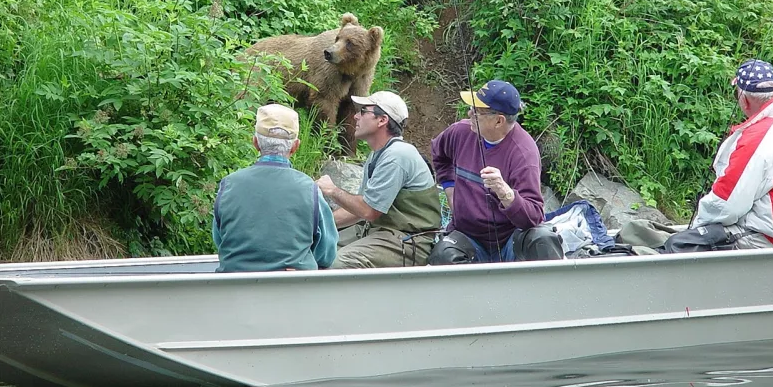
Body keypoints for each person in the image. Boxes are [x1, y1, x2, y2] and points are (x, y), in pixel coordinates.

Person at [316, 91, 442, 268]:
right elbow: (357, 210)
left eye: (363, 111)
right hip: (380, 232)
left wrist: (332, 190)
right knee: (317, 250)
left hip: (407, 240)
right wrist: (319, 225)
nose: (355, 116)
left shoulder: (397, 156)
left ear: (382, 120)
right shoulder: (379, 154)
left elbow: (368, 211)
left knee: (335, 264)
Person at [431, 80, 545, 262]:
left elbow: (533, 217)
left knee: (542, 240)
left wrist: (505, 193)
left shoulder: (524, 154)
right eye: (471, 108)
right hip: (467, 236)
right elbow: (439, 154)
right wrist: (450, 188)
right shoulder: (459, 132)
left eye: (477, 112)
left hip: (510, 240)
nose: (469, 114)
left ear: (499, 121)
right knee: (443, 254)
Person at [670, 59, 773, 251]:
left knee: (680, 245)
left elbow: (726, 205)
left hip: (768, 238)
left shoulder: (759, 137)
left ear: (743, 99)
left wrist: (697, 225)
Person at [213, 104, 337, 272]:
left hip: (235, 288)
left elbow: (220, 240)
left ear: (255, 143)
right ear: (295, 146)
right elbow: (326, 254)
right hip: (293, 287)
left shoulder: (228, 184)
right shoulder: (310, 189)